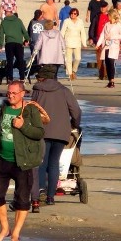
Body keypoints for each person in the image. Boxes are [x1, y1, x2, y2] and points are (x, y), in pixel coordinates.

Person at [0, 80, 45, 241]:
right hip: (1, 160)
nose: (10, 96)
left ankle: (16, 233)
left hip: (22, 161)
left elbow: (39, 133)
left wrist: (23, 125)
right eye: (8, 93)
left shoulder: (30, 110)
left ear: (22, 93)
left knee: (22, 199)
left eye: (14, 93)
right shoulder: (3, 109)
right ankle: (5, 228)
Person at [31, 66, 81, 210]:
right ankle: (51, 197)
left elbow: (31, 109)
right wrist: (74, 124)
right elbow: (76, 111)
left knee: (42, 163)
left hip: (42, 131)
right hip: (61, 133)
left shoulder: (37, 91)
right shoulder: (64, 91)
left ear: (43, 77)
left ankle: (40, 190)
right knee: (53, 163)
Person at [0, 9, 29, 82]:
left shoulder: (3, 22)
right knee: (20, 61)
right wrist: (27, 39)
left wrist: (0, 45)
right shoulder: (18, 21)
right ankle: (22, 78)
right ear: (12, 12)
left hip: (9, 44)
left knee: (10, 62)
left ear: (5, 13)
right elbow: (24, 31)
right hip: (18, 43)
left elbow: (1, 35)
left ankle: (10, 78)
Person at [97, 9, 121, 88]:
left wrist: (112, 37)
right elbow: (102, 34)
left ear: (112, 15)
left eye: (108, 15)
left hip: (114, 46)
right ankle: (109, 81)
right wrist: (98, 44)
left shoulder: (118, 25)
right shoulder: (107, 24)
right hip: (106, 45)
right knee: (107, 63)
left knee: (111, 62)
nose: (107, 17)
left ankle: (112, 81)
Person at [59, 7, 88, 80]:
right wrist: (60, 42)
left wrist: (84, 43)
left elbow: (83, 33)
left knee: (78, 58)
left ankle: (74, 71)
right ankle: (70, 74)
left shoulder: (80, 21)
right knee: (68, 60)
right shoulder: (66, 21)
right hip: (68, 43)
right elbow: (62, 32)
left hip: (77, 43)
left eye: (74, 13)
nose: (73, 15)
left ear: (77, 14)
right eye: (71, 13)